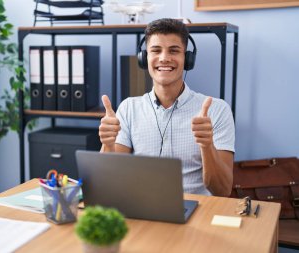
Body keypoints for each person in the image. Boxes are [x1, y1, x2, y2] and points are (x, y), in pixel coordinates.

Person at [98, 18, 235, 197]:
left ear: (187, 59)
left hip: (197, 212)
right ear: (144, 58)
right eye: (155, 50)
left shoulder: (217, 110)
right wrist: (107, 146)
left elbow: (222, 190)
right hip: (143, 208)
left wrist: (207, 145)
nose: (164, 58)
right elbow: (109, 181)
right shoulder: (129, 108)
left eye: (174, 51)